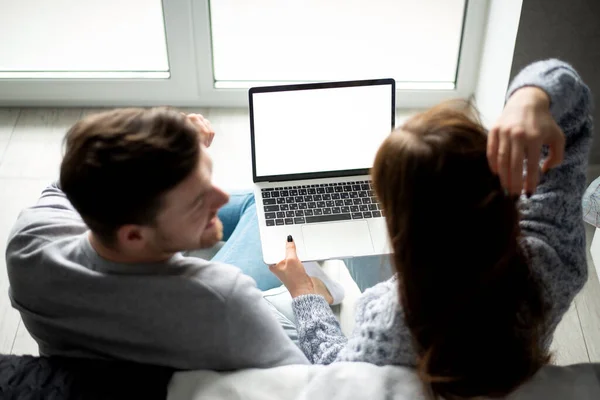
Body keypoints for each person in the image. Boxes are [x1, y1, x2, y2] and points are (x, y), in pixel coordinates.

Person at [269, 59, 593, 399]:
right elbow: (571, 123)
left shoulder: (390, 320)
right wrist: (528, 99)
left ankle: (315, 289)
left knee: (272, 311)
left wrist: (304, 294)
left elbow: (337, 372)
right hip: (508, 357)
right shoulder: (550, 255)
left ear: (403, 234)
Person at [6, 108, 314, 370]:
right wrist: (305, 298)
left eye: (208, 176)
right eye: (197, 200)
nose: (220, 197)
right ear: (134, 235)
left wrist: (167, 144)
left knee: (255, 201)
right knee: (260, 207)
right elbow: (304, 379)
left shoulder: (29, 242)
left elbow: (84, 168)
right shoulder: (221, 298)